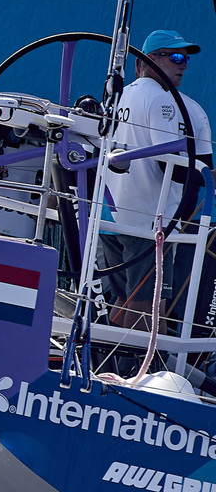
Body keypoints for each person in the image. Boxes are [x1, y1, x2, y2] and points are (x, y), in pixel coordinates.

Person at [99, 30, 212, 338]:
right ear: (149, 60)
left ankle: (111, 367)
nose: (183, 64)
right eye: (175, 57)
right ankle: (144, 374)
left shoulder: (117, 95)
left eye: (186, 58)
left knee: (123, 300)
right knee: (150, 306)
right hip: (148, 220)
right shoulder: (164, 100)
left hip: (111, 217)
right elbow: (174, 167)